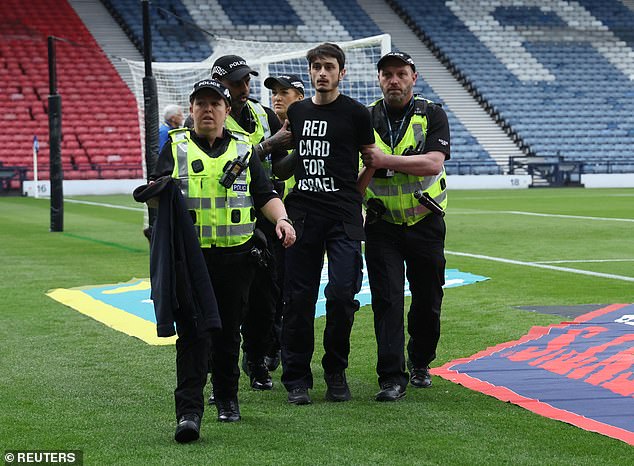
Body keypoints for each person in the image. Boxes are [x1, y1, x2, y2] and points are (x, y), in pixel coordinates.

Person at [152, 79, 296, 433]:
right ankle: (189, 412)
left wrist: (283, 220)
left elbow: (265, 195)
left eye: (214, 104)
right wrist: (155, 195)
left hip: (237, 258)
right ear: (190, 111)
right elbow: (156, 194)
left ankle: (227, 397)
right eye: (200, 104)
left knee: (230, 332)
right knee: (192, 334)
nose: (207, 110)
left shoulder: (244, 150)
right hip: (192, 260)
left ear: (226, 111)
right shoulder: (175, 147)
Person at [281, 43, 378, 405]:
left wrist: (354, 196)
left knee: (341, 294)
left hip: (342, 217)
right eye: (316, 67)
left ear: (342, 72)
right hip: (303, 214)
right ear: (310, 72)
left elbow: (371, 159)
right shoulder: (297, 111)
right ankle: (296, 378)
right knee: (298, 299)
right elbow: (290, 153)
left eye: (329, 67)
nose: (322, 73)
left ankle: (335, 372)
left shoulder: (355, 113)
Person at [359, 51, 450, 402]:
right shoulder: (363, 117)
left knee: (427, 300)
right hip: (382, 225)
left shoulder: (433, 113)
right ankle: (391, 377)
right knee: (387, 299)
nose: (393, 80)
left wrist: (384, 161)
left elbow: (431, 164)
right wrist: (373, 169)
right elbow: (356, 180)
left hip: (425, 221)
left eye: (401, 74)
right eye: (387, 75)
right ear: (378, 79)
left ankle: (421, 361)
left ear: (414, 77)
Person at [211, 55, 294, 391]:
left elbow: (282, 166)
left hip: (269, 214)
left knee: (267, 298)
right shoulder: (211, 118)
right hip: (230, 221)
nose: (244, 88)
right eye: (236, 83)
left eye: (247, 81)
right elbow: (222, 171)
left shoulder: (264, 113)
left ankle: (257, 360)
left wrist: (302, 151)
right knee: (231, 302)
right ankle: (222, 372)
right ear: (220, 85)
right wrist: (267, 145)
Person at [261, 73, 306, 370]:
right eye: (274, 92)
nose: (277, 97)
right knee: (268, 287)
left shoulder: (314, 126)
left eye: (284, 92)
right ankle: (267, 346)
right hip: (268, 216)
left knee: (289, 287)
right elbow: (280, 171)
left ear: (299, 97)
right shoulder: (264, 124)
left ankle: (279, 346)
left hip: (300, 218)